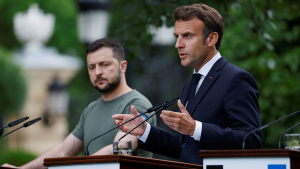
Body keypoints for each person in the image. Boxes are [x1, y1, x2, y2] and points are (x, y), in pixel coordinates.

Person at [113, 3, 262, 165]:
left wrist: (196, 129)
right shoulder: (190, 85)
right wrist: (145, 131)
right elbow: (184, 146)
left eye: (188, 36)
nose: (178, 44)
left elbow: (251, 140)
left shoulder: (236, 79)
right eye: (177, 36)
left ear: (211, 39)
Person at [2, 38, 156, 169]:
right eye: (92, 67)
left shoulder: (136, 105)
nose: (97, 72)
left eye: (104, 64)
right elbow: (63, 151)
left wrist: (81, 167)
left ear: (123, 66)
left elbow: (120, 148)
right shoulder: (91, 110)